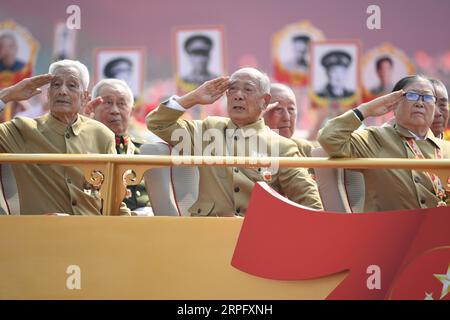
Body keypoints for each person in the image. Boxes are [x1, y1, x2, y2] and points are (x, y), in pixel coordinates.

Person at [147, 67, 323, 216]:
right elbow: (157, 123)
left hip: (258, 236)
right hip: (207, 234)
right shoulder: (208, 130)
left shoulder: (282, 146)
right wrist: (193, 98)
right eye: (232, 89)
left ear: (265, 101)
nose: (238, 96)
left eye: (248, 89)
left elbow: (310, 201)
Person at [0, 59, 129, 215]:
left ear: (85, 96)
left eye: (72, 85)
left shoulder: (101, 134)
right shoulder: (22, 130)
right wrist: (7, 94)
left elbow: (114, 201)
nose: (62, 91)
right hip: (42, 234)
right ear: (48, 94)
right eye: (56, 84)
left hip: (92, 233)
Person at [318, 75, 450, 212]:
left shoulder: (446, 150)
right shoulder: (374, 139)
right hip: (389, 230)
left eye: (427, 98)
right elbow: (329, 138)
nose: (420, 103)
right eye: (411, 96)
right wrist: (366, 110)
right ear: (394, 104)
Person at [89, 78, 150, 212]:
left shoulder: (146, 150)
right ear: (92, 107)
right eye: (108, 102)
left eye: (121, 104)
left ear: (132, 111)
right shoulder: (84, 147)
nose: (114, 110)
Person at [263, 83, 316, 157]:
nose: (287, 117)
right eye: (278, 109)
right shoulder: (248, 148)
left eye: (291, 109)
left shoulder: (304, 149)